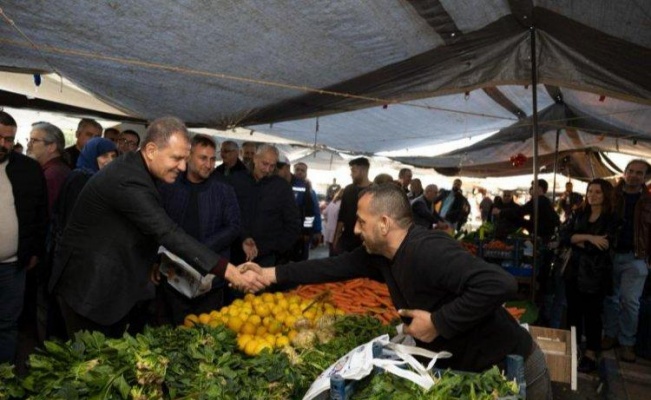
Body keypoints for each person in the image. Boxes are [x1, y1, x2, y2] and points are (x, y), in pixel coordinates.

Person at [246, 185, 551, 399]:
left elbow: (500, 284)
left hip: (514, 368)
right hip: (469, 374)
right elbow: (330, 268)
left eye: (361, 222)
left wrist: (438, 322)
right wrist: (269, 274)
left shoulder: (428, 250)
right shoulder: (379, 255)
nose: (355, 229)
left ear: (384, 224)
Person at [49, 116, 265, 338]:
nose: (182, 166)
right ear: (151, 150)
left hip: (112, 288)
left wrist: (155, 259)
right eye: (177, 158)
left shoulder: (141, 171)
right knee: (88, 367)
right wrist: (228, 270)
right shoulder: (128, 179)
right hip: (91, 292)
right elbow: (166, 231)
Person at [155, 134, 241, 325]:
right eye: (203, 158)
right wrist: (154, 261)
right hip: (173, 276)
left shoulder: (223, 190)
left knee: (206, 333)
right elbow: (157, 227)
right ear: (188, 156)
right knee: (174, 330)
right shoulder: (169, 186)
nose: (209, 165)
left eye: (212, 159)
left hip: (210, 279)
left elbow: (234, 227)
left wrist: (198, 250)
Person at [0, 111, 47, 364]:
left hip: (12, 267)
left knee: (7, 324)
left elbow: (41, 214)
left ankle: (4, 379)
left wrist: (34, 251)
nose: (3, 145)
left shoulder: (28, 169)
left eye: (9, 139)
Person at [560, 178, 618, 372]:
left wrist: (578, 240)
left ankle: (591, 353)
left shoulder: (611, 218)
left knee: (592, 315)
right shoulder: (579, 213)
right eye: (590, 191)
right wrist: (589, 237)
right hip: (574, 272)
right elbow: (564, 236)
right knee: (573, 312)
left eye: (597, 192)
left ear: (606, 195)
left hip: (596, 274)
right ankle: (574, 349)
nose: (592, 195)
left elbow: (603, 247)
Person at [603, 159, 651, 363]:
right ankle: (610, 335)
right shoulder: (612, 196)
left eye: (639, 173)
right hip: (611, 255)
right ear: (624, 173)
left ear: (646, 177)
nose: (633, 175)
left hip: (636, 257)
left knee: (630, 302)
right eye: (630, 171)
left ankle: (627, 342)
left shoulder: (649, 201)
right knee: (610, 299)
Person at [228, 144, 301, 267]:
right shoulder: (237, 181)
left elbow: (293, 223)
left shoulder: (282, 188)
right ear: (255, 159)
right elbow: (229, 213)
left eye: (272, 166)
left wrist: (276, 249)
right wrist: (243, 237)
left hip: (267, 258)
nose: (267, 170)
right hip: (236, 252)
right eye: (264, 164)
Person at [27, 122, 71, 216]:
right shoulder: (54, 169)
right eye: (29, 140)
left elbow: (43, 214)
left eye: (34, 140)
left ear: (51, 147)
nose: (29, 145)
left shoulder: (52, 175)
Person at [333, 157, 371, 253]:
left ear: (363, 170)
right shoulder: (348, 189)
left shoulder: (375, 191)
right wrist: (336, 238)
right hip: (347, 240)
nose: (351, 174)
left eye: (353, 171)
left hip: (365, 241)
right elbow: (342, 215)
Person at [290, 162, 322, 261]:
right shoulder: (286, 187)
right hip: (289, 231)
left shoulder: (310, 192)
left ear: (306, 173)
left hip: (303, 234)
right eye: (297, 170)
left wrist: (314, 231)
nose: (299, 172)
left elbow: (314, 212)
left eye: (302, 170)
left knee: (301, 260)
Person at [323, 189, 343, 256]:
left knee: (331, 249)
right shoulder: (342, 206)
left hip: (329, 229)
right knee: (336, 250)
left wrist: (326, 219)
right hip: (336, 231)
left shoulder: (332, 204)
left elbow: (324, 212)